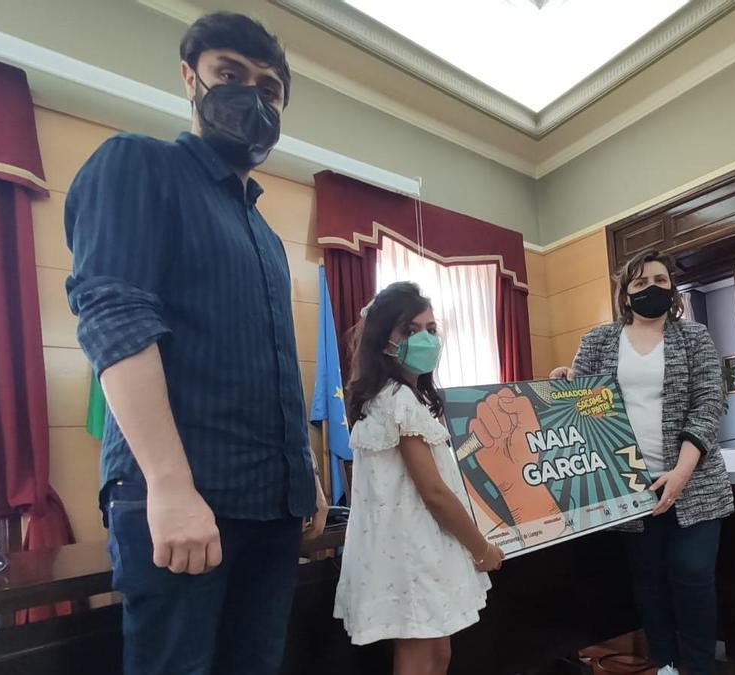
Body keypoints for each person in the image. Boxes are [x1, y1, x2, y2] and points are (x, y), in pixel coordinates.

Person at [65, 12, 327, 674]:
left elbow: (271, 366)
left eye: (269, 88)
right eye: (230, 75)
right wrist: (170, 485)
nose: (252, 97)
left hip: (272, 507)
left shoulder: (265, 236)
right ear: (190, 79)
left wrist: (305, 473)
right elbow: (114, 316)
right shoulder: (137, 163)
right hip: (186, 499)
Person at [550, 250, 733, 675]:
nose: (651, 288)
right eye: (639, 283)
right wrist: (564, 384)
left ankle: (701, 667)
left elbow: (709, 403)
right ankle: (665, 664)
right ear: (625, 294)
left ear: (672, 287)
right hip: (628, 487)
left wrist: (681, 474)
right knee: (649, 582)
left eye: (659, 280)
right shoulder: (597, 340)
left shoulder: (695, 337)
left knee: (693, 575)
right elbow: (582, 406)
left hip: (695, 485)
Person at [335, 282, 502, 675]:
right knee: (418, 657)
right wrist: (482, 549)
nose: (425, 339)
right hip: (412, 553)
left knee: (437, 653)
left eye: (431, 329)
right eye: (410, 330)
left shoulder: (404, 397)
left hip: (423, 549)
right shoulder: (396, 400)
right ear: (383, 339)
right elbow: (434, 492)